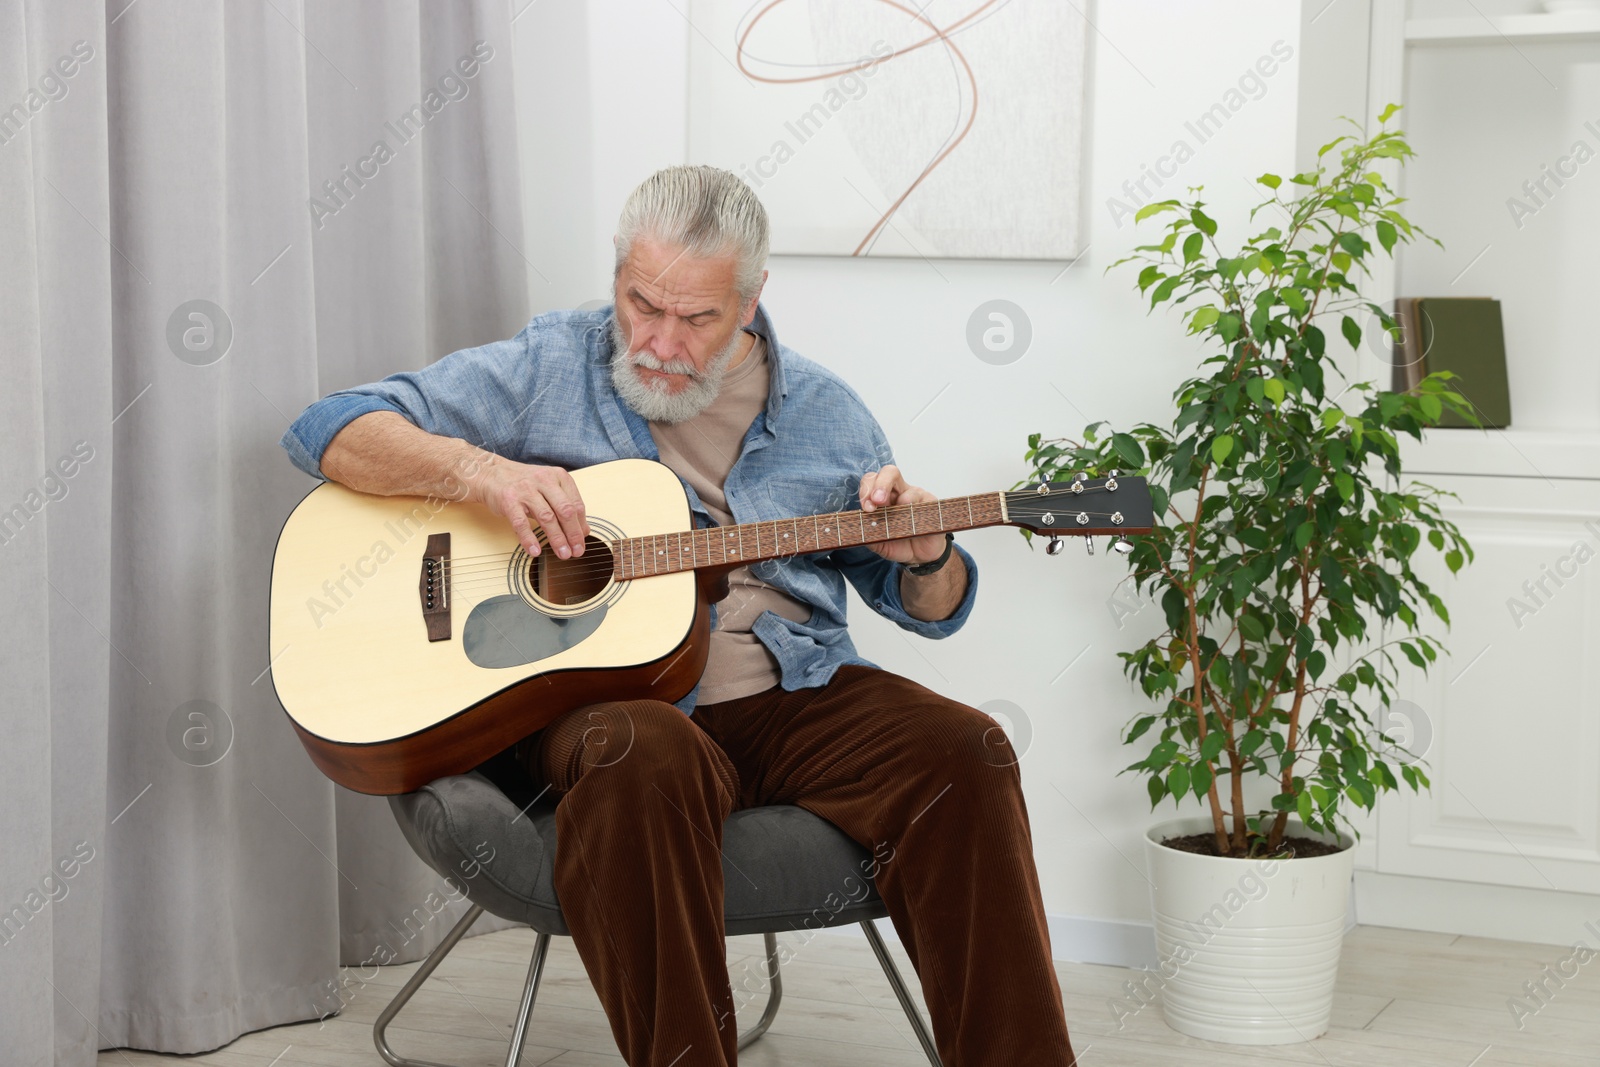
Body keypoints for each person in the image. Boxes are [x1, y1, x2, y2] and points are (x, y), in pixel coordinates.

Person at [280, 165, 1077, 1066]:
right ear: (618, 274)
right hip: (606, 707)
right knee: (641, 751)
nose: (658, 341)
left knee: (965, 750)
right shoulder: (550, 364)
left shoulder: (827, 412)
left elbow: (932, 611)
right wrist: (483, 473)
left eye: (694, 318)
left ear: (750, 300)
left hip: (791, 690)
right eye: (639, 304)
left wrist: (927, 556)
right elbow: (329, 426)